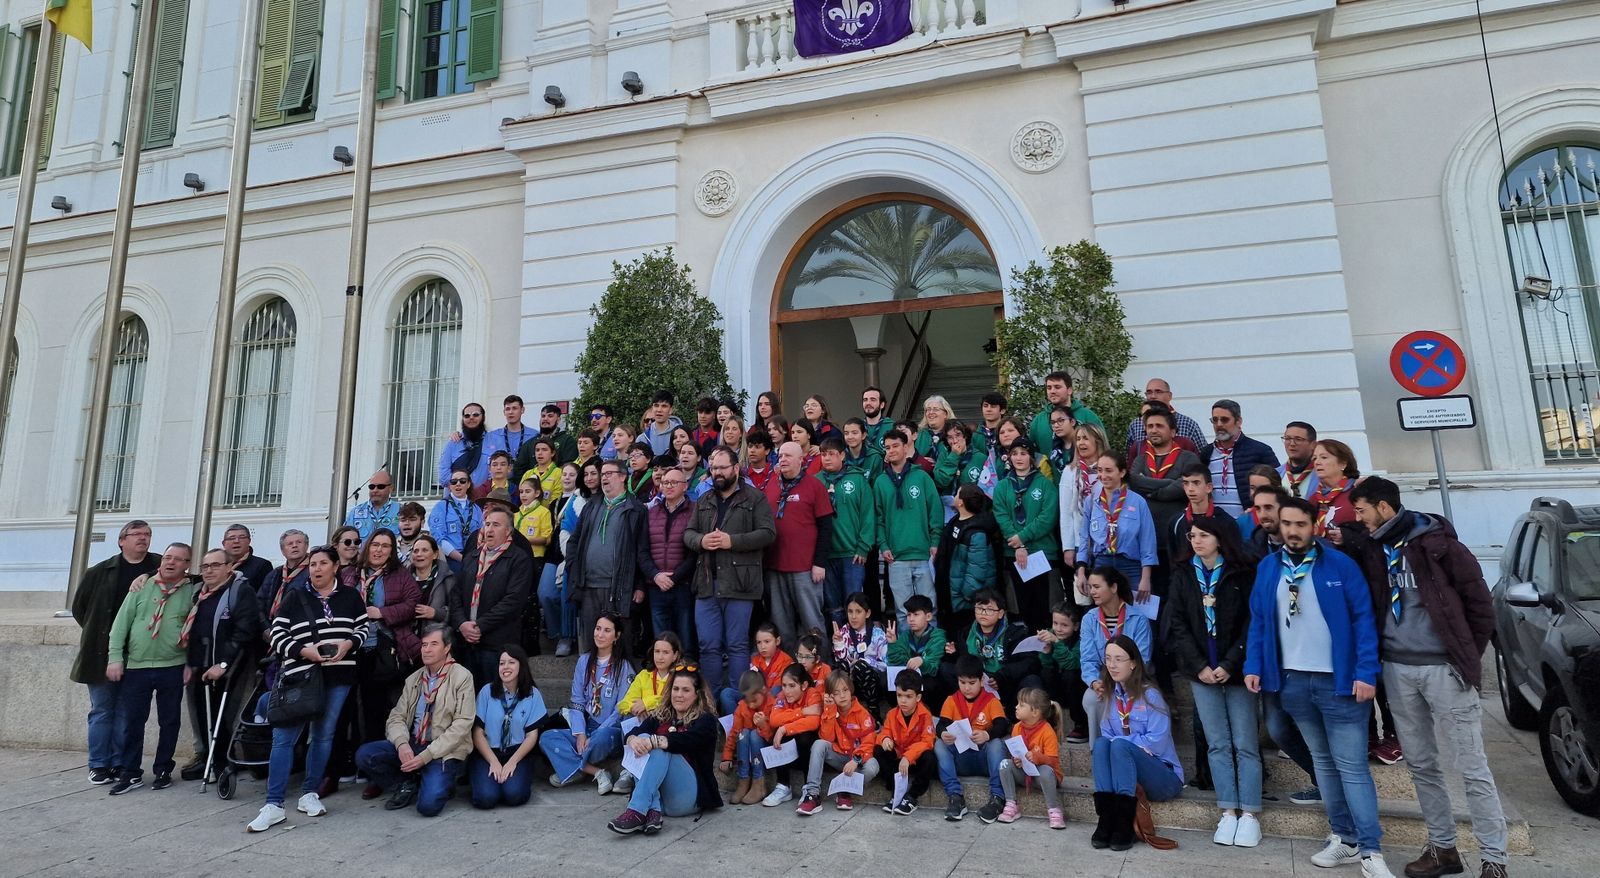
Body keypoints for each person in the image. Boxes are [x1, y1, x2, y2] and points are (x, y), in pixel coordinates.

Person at [1346, 478, 1509, 878]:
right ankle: (1442, 848)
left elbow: (1480, 606)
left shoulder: (1440, 545)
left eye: (1363, 510)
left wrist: (1464, 658)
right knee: (1421, 764)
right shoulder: (1373, 548)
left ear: (1384, 507)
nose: (1359, 519)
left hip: (1443, 669)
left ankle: (1494, 858)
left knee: (1471, 766)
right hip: (1397, 669)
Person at [1244, 498, 1390, 878]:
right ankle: (1344, 837)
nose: (1292, 531)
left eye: (1300, 524)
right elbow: (1259, 621)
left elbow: (1363, 620)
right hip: (1293, 680)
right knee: (1323, 763)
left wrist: (1366, 672)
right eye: (1287, 524)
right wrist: (1254, 665)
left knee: (1352, 768)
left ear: (1315, 525)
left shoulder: (1340, 565)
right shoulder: (1268, 567)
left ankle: (1371, 849)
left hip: (1339, 682)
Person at [247, 545, 369, 832]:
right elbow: (277, 635)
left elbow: (362, 629)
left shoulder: (351, 596)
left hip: (338, 676)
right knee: (284, 738)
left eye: (323, 563)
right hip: (299, 677)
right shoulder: (295, 596)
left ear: (335, 567)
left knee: (323, 735)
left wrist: (348, 644)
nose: (316, 569)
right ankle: (273, 804)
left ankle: (309, 792)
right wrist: (304, 651)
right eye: (313, 564)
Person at [1168, 516, 1262, 848]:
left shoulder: (1241, 572)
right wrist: (1199, 666)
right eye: (1192, 535)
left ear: (1220, 539)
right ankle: (1228, 811)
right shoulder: (1183, 574)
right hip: (1201, 672)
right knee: (1218, 743)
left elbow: (1250, 622)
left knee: (1245, 743)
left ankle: (1249, 813)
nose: (1196, 540)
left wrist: (1230, 662)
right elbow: (1177, 623)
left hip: (1236, 670)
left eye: (1204, 535)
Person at [353, 623, 474, 815]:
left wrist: (426, 756)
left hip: (442, 749)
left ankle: (440, 780)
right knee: (365, 755)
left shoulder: (462, 677)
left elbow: (462, 725)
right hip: (414, 742)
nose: (427, 650)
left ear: (447, 648)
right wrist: (402, 744)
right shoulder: (415, 678)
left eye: (434, 644)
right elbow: (397, 717)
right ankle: (406, 783)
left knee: (428, 807)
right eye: (424, 644)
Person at [687, 446, 776, 707]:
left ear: (736, 468)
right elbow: (688, 534)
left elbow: (768, 533)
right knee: (708, 646)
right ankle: (711, 703)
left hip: (740, 584)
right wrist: (701, 541)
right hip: (706, 583)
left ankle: (738, 706)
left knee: (737, 645)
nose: (717, 472)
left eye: (722, 468)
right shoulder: (704, 499)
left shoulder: (755, 498)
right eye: (714, 468)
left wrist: (732, 541)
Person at [72, 520, 158, 786]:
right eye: (136, 534)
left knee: (126, 712)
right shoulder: (99, 571)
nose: (143, 538)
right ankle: (99, 764)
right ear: (122, 541)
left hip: (140, 654)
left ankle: (121, 763)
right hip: (101, 654)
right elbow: (80, 609)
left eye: (147, 534)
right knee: (102, 710)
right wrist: (103, 637)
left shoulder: (160, 566)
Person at [105, 542, 196, 795]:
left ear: (187, 565)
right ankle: (130, 771)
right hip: (138, 666)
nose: (171, 562)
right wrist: (115, 658)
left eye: (178, 559)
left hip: (173, 666)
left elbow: (196, 631)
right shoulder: (141, 586)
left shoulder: (192, 591)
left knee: (170, 721)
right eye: (167, 557)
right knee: (133, 721)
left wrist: (190, 663)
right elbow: (120, 625)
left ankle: (163, 769)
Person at [341, 529, 422, 792]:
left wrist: (382, 612)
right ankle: (349, 764)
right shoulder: (351, 573)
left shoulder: (400, 574)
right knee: (350, 710)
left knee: (378, 710)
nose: (379, 550)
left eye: (385, 546)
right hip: (350, 648)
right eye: (375, 544)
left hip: (383, 649)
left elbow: (412, 603)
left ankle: (375, 770)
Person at [1091, 636, 1184, 850]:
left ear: (1133, 663)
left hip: (1163, 776)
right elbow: (1107, 737)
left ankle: (1125, 823)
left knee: (1119, 745)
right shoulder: (1110, 696)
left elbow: (1157, 743)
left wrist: (1124, 743)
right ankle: (1106, 819)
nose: (1112, 665)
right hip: (1125, 773)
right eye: (1108, 658)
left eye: (1119, 659)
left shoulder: (1151, 695)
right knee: (1101, 744)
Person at [607, 668, 724, 833]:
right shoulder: (661, 715)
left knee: (661, 746)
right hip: (660, 799)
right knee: (643, 737)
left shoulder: (706, 720)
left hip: (688, 797)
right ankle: (652, 811)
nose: (679, 695)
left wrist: (656, 741)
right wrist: (633, 740)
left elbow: (686, 740)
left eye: (686, 690)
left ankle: (637, 811)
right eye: (676, 689)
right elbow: (636, 731)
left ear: (697, 694)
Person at [180, 548, 262, 782]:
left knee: (222, 716)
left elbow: (244, 630)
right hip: (199, 663)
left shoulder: (240, 591)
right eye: (205, 566)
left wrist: (223, 664)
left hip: (231, 665)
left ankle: (222, 763)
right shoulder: (199, 592)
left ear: (229, 567)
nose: (209, 571)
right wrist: (189, 663)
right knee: (202, 714)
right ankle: (208, 759)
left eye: (215, 565)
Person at [540, 614, 634, 793]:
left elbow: (621, 709)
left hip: (609, 730)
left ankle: (572, 768)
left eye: (607, 630)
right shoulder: (584, 661)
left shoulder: (623, 667)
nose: (600, 634)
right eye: (598, 629)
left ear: (617, 636)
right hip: (587, 726)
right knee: (547, 738)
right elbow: (577, 701)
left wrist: (597, 733)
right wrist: (580, 733)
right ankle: (596, 772)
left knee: (599, 738)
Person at [567, 459, 651, 650]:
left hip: (619, 587)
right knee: (590, 644)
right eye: (602, 474)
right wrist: (573, 567)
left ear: (622, 477)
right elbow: (574, 541)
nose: (604, 478)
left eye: (609, 474)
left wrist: (640, 585)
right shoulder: (592, 505)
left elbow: (642, 550)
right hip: (588, 586)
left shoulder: (636, 509)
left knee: (619, 645)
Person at [448, 504, 535, 689]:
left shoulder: (518, 559)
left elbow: (513, 601)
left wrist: (479, 626)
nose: (489, 529)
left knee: (494, 695)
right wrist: (462, 624)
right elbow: (455, 594)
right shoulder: (471, 557)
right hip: (467, 643)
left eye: (496, 525)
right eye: (487, 524)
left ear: (508, 531)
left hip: (497, 645)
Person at [764, 440, 835, 650]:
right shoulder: (772, 484)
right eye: (780, 456)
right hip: (775, 566)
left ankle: (821, 663)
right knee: (781, 624)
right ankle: (788, 665)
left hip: (805, 567)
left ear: (800, 460)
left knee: (811, 622)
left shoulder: (815, 486)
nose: (783, 459)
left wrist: (819, 563)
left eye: (788, 455)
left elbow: (826, 528)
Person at [874, 428, 943, 628]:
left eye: (895, 446)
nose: (891, 451)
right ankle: (906, 646)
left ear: (906, 447)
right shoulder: (881, 481)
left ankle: (932, 645)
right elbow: (878, 517)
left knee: (929, 608)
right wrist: (883, 545)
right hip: (896, 556)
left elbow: (935, 510)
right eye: (887, 447)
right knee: (903, 611)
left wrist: (935, 541)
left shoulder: (921, 477)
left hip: (923, 553)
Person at [1079, 567, 1153, 746]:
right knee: (1092, 698)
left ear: (1113, 587)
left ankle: (1131, 749)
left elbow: (1142, 659)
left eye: (1097, 586)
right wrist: (1095, 682)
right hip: (1104, 679)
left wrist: (1120, 684)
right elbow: (1087, 659)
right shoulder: (1089, 619)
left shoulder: (1138, 619)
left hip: (1133, 680)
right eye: (1090, 587)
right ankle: (1098, 750)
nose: (1092, 592)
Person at [934, 654, 1011, 821]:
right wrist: (943, 733)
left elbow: (1002, 725)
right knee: (939, 744)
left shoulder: (991, 701)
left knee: (996, 744)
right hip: (961, 759)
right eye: (962, 682)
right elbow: (941, 725)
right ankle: (955, 796)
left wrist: (987, 734)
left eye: (971, 683)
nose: (966, 688)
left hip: (984, 759)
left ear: (981, 681)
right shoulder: (951, 700)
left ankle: (997, 797)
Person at [993, 439, 1060, 630]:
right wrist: (1018, 544)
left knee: (1043, 608)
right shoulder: (1003, 486)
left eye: (1023, 453)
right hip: (1013, 554)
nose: (1019, 458)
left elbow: (1047, 517)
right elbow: (1001, 515)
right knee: (1019, 609)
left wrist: (1022, 537)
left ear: (1032, 457)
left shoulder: (1045, 485)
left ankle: (1044, 646)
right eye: (1014, 453)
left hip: (1042, 553)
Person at [468, 644, 545, 809]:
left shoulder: (532, 694)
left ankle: (510, 782)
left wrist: (512, 762)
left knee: (514, 795)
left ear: (521, 665)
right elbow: (477, 733)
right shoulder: (487, 691)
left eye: (511, 662)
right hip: (488, 752)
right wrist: (493, 761)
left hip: (517, 752)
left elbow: (531, 736)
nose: (505, 667)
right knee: (486, 798)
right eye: (502, 663)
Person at [1074, 454, 1158, 603]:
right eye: (1100, 470)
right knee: (1104, 611)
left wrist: (1145, 578)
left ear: (1122, 472)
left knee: (1135, 611)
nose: (1103, 475)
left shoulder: (1138, 502)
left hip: (1131, 566)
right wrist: (1081, 571)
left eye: (1108, 470)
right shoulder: (1091, 501)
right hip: (1102, 563)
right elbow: (1084, 538)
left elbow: (1147, 542)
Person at [944, 587, 1040, 710]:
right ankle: (966, 709)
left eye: (989, 609)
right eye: (979, 608)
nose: (983, 613)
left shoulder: (1015, 633)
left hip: (1005, 682)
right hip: (977, 682)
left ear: (1000, 613)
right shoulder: (966, 632)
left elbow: (1031, 662)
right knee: (946, 669)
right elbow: (963, 662)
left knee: (1032, 680)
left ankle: (1016, 714)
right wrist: (953, 653)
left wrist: (1003, 675)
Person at [797, 671, 879, 813]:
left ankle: (845, 790)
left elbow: (868, 742)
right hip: (839, 755)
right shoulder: (830, 710)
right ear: (830, 695)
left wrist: (856, 760)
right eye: (836, 692)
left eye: (845, 690)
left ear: (851, 690)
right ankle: (812, 794)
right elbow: (826, 738)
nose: (842, 695)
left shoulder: (862, 713)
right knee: (819, 744)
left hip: (858, 759)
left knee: (873, 766)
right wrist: (829, 710)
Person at [816, 436, 874, 624]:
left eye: (832, 454)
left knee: (854, 604)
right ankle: (838, 641)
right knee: (833, 606)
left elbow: (868, 514)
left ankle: (858, 640)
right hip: (826, 554)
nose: (827, 458)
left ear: (842, 455)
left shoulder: (857, 480)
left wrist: (863, 546)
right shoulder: (816, 481)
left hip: (852, 553)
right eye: (823, 454)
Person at [1128, 407, 1200, 550]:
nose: (1153, 430)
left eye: (1159, 426)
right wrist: (1170, 483)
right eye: (1150, 426)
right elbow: (1135, 483)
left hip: (1179, 534)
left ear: (1173, 432)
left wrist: (1150, 490)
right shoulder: (1140, 460)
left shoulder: (1188, 458)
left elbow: (1184, 487)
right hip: (1146, 536)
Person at [993, 687, 1066, 829]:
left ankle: (1054, 809)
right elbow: (1015, 753)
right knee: (1004, 764)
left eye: (1021, 705)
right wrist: (1016, 760)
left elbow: (1053, 761)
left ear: (1035, 712)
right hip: (1025, 773)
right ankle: (1011, 804)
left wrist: (1038, 758)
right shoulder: (1016, 727)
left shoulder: (1047, 731)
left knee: (1046, 771)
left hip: (1044, 778)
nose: (1016, 707)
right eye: (1017, 703)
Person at [643, 468, 697, 652]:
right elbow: (642, 550)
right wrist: (656, 575)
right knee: (661, 642)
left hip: (683, 585)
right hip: (656, 586)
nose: (669, 486)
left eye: (674, 482)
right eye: (665, 482)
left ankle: (686, 669)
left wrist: (674, 577)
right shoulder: (651, 513)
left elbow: (695, 553)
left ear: (685, 486)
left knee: (686, 638)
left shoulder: (695, 511)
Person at [869, 668, 937, 815]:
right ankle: (896, 791)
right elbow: (885, 731)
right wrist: (885, 738)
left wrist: (908, 756)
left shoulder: (925, 715)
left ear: (918, 697)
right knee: (879, 750)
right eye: (899, 695)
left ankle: (912, 796)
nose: (903, 700)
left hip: (915, 761)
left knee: (929, 757)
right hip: (898, 760)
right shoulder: (892, 714)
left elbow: (927, 741)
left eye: (908, 696)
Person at [934, 484, 999, 637]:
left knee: (963, 637)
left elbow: (976, 571)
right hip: (951, 595)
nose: (955, 496)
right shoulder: (956, 521)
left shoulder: (977, 533)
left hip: (963, 603)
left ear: (961, 502)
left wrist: (965, 596)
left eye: (957, 493)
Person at [758, 662, 825, 806]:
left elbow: (813, 722)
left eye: (792, 686)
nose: (787, 691)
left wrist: (785, 728)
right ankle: (783, 786)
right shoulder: (782, 696)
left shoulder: (813, 694)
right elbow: (774, 720)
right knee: (778, 735)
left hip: (808, 747)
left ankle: (808, 788)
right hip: (791, 748)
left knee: (805, 738)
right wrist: (802, 712)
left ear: (804, 685)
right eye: (784, 685)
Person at [1201, 400, 1280, 517]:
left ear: (1238, 421)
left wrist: (1258, 509)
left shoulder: (1260, 451)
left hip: (1249, 521)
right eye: (1215, 420)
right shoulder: (1206, 453)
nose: (1219, 424)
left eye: (1224, 419)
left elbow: (1278, 486)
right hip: (1214, 523)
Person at [1060, 423, 1108, 599]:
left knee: (1105, 592)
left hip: (1105, 542)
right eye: (1078, 439)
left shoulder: (1108, 470)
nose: (1081, 443)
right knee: (1084, 596)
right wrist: (1068, 547)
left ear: (1098, 441)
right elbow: (1066, 513)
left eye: (1086, 438)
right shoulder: (1070, 471)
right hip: (1081, 542)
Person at [1037, 601, 1088, 743]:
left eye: (1064, 625)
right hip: (1057, 689)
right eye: (1055, 623)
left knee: (1070, 675)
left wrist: (1057, 644)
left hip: (1076, 690)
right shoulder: (1049, 635)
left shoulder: (1080, 640)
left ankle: (1080, 725)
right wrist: (1046, 652)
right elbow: (1046, 665)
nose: (1058, 629)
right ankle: (1051, 717)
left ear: (1076, 626)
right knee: (1045, 674)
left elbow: (1071, 663)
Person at [886, 594, 947, 707]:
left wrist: (922, 661)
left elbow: (933, 667)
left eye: (916, 614)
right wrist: (893, 643)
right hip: (909, 678)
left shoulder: (937, 636)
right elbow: (895, 661)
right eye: (909, 615)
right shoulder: (906, 635)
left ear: (928, 616)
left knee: (932, 683)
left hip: (928, 680)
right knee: (886, 680)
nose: (911, 619)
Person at [830, 592, 889, 709]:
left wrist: (864, 662)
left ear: (867, 613)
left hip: (873, 683)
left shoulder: (878, 634)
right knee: (840, 666)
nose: (853, 616)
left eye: (858, 611)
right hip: (851, 682)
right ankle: (844, 708)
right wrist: (838, 644)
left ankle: (873, 711)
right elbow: (841, 662)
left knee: (861, 666)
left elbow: (885, 664)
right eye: (850, 611)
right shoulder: (843, 632)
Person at [1171, 463, 1243, 559]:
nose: (1190, 489)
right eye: (1186, 483)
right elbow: (1174, 560)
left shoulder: (1225, 522)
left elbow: (1235, 559)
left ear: (1209, 487)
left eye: (1196, 483)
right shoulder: (1176, 522)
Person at [722, 670, 772, 805]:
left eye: (754, 700)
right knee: (743, 733)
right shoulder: (742, 707)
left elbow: (772, 736)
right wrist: (727, 756)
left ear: (763, 690)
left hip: (766, 747)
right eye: (748, 701)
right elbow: (734, 732)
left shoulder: (771, 705)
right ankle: (743, 780)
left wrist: (763, 725)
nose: (751, 705)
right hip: (747, 747)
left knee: (755, 734)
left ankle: (759, 783)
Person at [1028, 370, 1103, 453]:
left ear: (1069, 390)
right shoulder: (1039, 421)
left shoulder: (1088, 416)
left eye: (1057, 387)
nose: (1052, 391)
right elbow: (1032, 453)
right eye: (1049, 388)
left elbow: (1102, 448)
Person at [1124, 378, 1208, 451]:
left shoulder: (1187, 424)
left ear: (1169, 396)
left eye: (1158, 392)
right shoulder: (1136, 425)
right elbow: (1129, 457)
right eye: (1149, 392)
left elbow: (1203, 455)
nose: (1153, 396)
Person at [428, 469, 482, 572]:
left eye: (462, 481)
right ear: (450, 486)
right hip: (449, 560)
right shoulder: (441, 507)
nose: (458, 484)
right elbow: (439, 539)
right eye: (454, 481)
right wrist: (461, 559)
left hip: (473, 559)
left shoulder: (476, 509)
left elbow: (482, 535)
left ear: (468, 484)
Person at [621, 633, 683, 720]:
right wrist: (636, 708)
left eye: (665, 652)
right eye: (657, 651)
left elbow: (672, 701)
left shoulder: (680, 677)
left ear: (675, 655)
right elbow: (623, 704)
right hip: (642, 722)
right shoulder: (644, 675)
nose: (660, 657)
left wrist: (647, 704)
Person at [258, 529, 311, 630]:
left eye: (299, 542)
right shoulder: (275, 574)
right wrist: (265, 627)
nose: (294, 546)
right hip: (272, 627)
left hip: (301, 627)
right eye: (290, 544)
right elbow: (259, 602)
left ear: (306, 546)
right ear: (282, 551)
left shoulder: (313, 571)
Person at [1309, 438, 1361, 539]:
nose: (1317, 462)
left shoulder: (1358, 492)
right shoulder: (1313, 499)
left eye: (1324, 457)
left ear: (1343, 464)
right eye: (1314, 458)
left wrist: (1348, 536)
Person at [438, 404, 491, 492]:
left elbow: (495, 473)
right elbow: (443, 476)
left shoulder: (493, 440)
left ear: (483, 417)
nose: (471, 418)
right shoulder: (453, 443)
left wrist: (481, 491)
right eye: (467, 416)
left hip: (483, 497)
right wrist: (461, 488)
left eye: (475, 415)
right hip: (456, 497)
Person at [408, 534, 451, 632]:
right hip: (407, 636)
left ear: (435, 554)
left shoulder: (447, 578)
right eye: (415, 551)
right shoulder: (404, 579)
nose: (419, 554)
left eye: (424, 550)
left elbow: (457, 612)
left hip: (436, 635)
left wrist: (436, 613)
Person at [345, 470, 401, 539]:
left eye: (380, 486)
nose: (375, 490)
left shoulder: (401, 511)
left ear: (391, 488)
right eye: (372, 487)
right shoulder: (355, 513)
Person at [482, 395, 533, 469]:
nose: (510, 412)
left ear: (522, 410)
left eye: (514, 408)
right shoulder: (492, 436)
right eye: (507, 409)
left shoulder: (534, 435)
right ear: (504, 412)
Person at [220, 524, 273, 593]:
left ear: (249, 541)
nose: (236, 541)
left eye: (242, 537)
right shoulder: (216, 565)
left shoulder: (262, 565)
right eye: (231, 538)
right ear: (224, 543)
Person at [1278, 421, 1321, 499]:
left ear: (1313, 445)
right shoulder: (1276, 474)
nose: (1292, 444)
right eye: (1287, 438)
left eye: (1298, 439)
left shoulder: (1323, 475)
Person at [640, 390, 682, 455]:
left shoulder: (682, 435)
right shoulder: (643, 439)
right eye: (656, 405)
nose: (659, 410)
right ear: (652, 408)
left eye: (664, 406)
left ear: (671, 410)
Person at [916, 395, 956, 463]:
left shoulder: (954, 434)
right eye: (928, 409)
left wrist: (937, 464)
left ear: (945, 414)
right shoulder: (917, 434)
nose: (931, 412)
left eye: (935, 409)